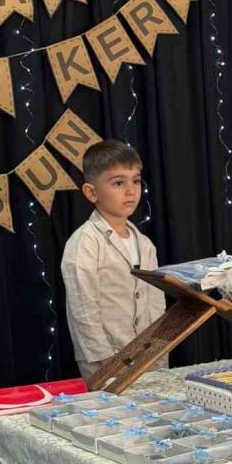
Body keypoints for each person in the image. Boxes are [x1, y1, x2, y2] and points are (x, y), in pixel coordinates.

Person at [61, 140, 166, 380]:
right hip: (105, 362)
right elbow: (82, 308)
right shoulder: (84, 242)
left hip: (150, 359)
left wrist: (158, 351)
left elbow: (156, 303)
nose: (131, 190)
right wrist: (106, 360)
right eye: (119, 183)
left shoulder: (145, 244)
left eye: (136, 181)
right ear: (91, 192)